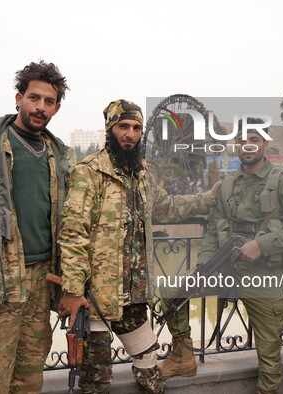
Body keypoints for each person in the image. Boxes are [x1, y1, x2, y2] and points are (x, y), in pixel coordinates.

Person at [57, 99, 218, 394]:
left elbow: (167, 207)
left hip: (134, 295)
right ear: (110, 129)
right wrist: (73, 290)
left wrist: (209, 197)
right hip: (97, 299)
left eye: (136, 128)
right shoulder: (89, 172)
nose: (130, 134)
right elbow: (73, 233)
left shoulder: (143, 176)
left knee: (150, 374)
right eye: (123, 127)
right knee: (97, 383)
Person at [161, 119, 283, 394]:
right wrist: (202, 269)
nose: (247, 145)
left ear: (265, 143)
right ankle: (184, 355)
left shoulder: (282, 181)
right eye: (242, 139)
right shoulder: (228, 184)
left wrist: (263, 244)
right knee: (173, 290)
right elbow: (212, 231)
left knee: (269, 356)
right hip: (225, 271)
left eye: (254, 139)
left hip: (266, 276)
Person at [0, 61, 74, 394]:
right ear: (18, 98)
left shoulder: (59, 154)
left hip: (42, 280)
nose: (40, 107)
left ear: (56, 107)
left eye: (48, 102)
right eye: (33, 98)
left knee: (30, 376)